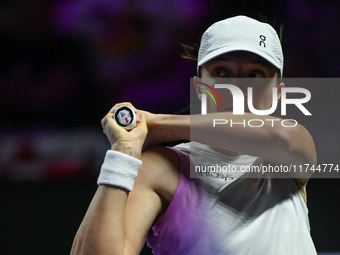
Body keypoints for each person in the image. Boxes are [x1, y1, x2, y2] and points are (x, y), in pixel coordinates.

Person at [71, 15, 317, 255]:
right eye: (221, 73)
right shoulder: (160, 167)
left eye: (255, 75)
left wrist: (155, 124)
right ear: (200, 88)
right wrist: (123, 153)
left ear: (277, 93)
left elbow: (282, 137)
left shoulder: (288, 152)